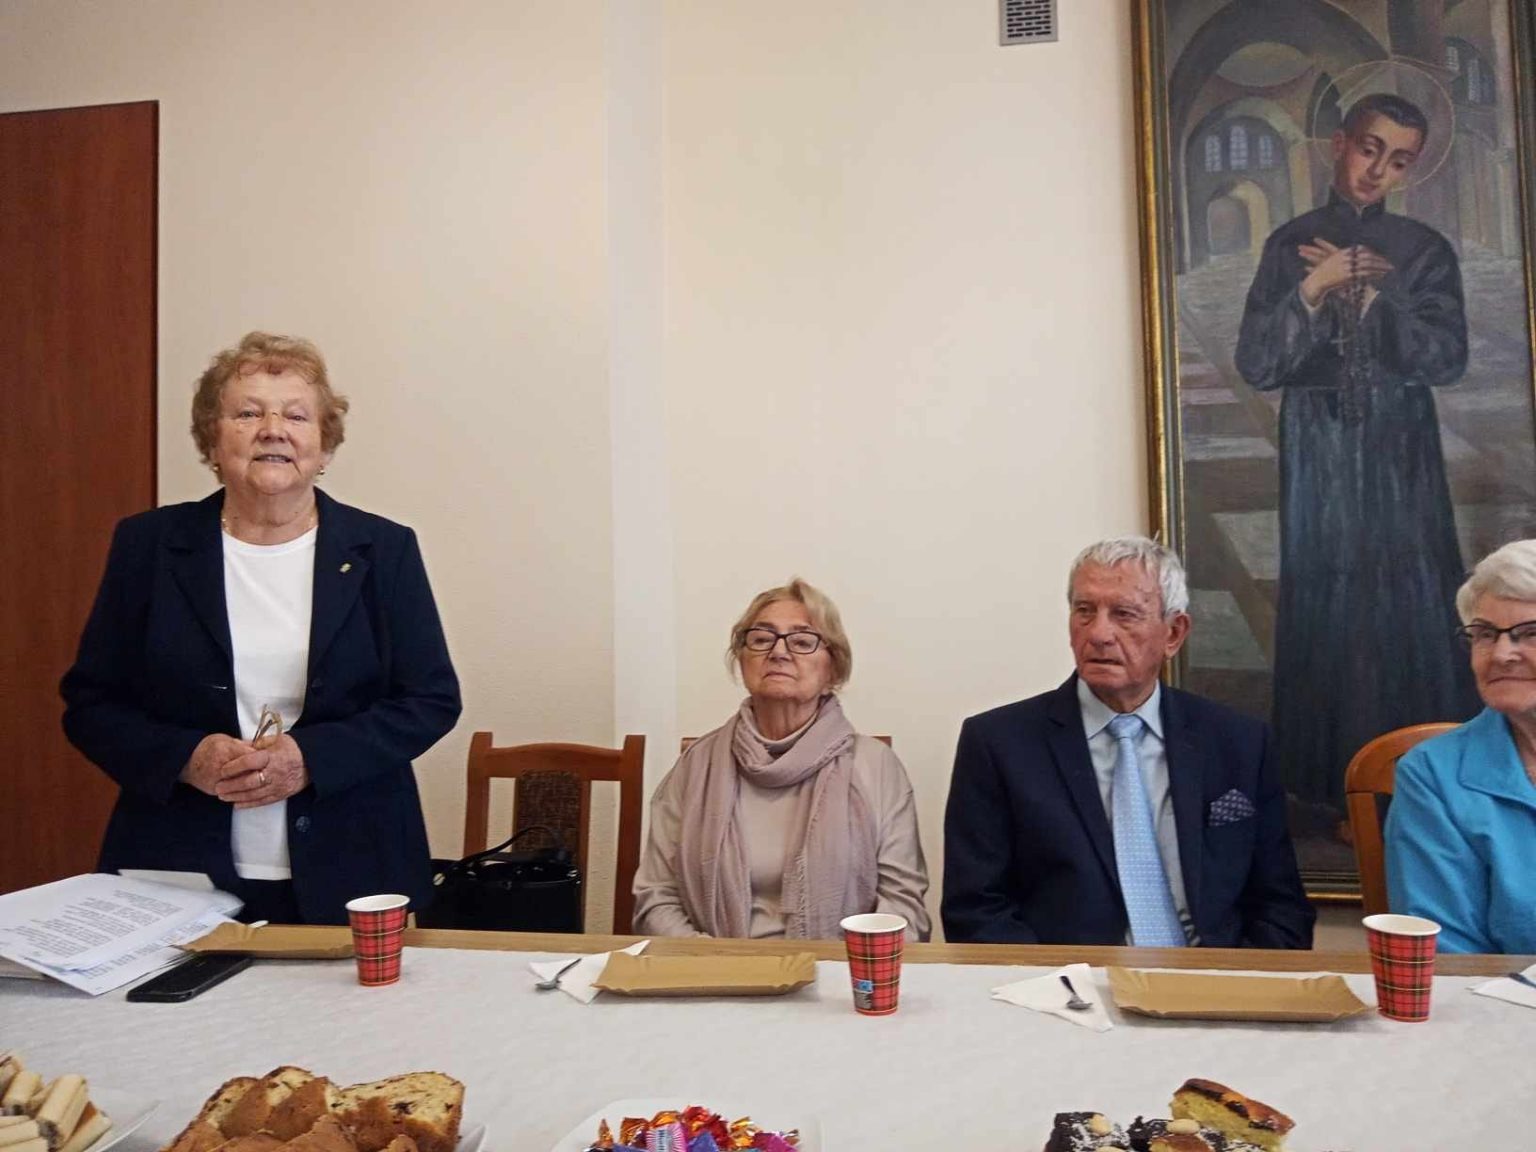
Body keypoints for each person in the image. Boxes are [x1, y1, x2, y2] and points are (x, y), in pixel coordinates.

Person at [61, 332, 461, 925]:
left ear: (324, 446)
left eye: (296, 416)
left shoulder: (384, 549)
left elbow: (430, 699)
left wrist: (310, 758)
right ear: (212, 441)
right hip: (175, 863)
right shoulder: (148, 546)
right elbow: (92, 705)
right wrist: (185, 757)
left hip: (354, 865)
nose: (273, 430)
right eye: (248, 413)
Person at [1235, 92, 1478, 824]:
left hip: (1401, 445)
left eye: (1398, 160)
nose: (1377, 171)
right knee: (1328, 596)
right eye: (1370, 149)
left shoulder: (1424, 249)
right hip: (1320, 443)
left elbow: (1447, 357)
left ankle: (1419, 782)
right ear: (1339, 144)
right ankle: (1325, 786)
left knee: (1409, 597)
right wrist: (1315, 286)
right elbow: (1257, 362)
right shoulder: (1291, 244)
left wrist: (1378, 299)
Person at [941, 536, 1313, 947]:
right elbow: (976, 912)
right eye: (1085, 611)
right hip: (1068, 980)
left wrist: (1235, 980)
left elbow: (1281, 907)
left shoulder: (1239, 743)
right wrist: (1057, 982)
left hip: (1212, 974)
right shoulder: (998, 744)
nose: (1099, 633)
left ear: (1174, 633)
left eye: (1124, 614)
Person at [632, 578, 930, 939]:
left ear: (833, 669)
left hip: (840, 969)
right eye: (761, 639)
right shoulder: (697, 766)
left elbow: (903, 907)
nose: (778, 652)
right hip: (712, 965)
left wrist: (841, 968)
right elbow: (656, 898)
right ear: (741, 660)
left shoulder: (875, 766)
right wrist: (712, 961)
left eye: (802, 642)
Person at [1385, 539, 1536, 954]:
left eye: (1530, 633)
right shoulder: (1433, 775)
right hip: (1496, 997)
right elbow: (1448, 955)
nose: (1502, 654)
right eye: (1485, 634)